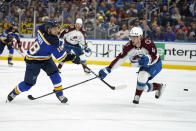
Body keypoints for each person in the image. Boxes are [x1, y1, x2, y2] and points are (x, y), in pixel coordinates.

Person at [6, 20, 80, 103]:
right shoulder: (52, 42)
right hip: (33, 61)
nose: (57, 30)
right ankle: (14, 93)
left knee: (55, 74)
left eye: (57, 28)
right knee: (28, 84)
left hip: (46, 58)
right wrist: (73, 58)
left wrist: (60, 46)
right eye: (54, 29)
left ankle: (59, 94)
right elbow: (62, 58)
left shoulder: (40, 29)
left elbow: (41, 26)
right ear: (48, 30)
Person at [98, 27, 166, 104]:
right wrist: (108, 69)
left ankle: (137, 97)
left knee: (142, 76)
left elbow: (154, 56)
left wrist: (148, 59)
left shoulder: (148, 43)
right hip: (144, 66)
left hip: (155, 64)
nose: (132, 39)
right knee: (142, 87)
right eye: (131, 37)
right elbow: (120, 59)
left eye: (134, 37)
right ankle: (158, 86)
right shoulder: (128, 47)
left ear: (140, 37)